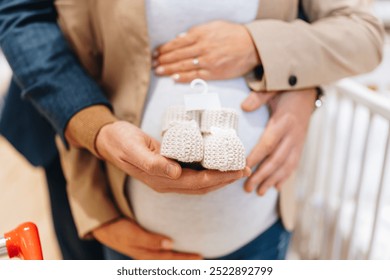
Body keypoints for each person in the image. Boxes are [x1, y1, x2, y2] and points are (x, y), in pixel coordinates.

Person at [1, 0, 384, 260]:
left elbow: (360, 30)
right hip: (112, 202)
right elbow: (29, 20)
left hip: (258, 224)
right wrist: (94, 198)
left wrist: (262, 49)